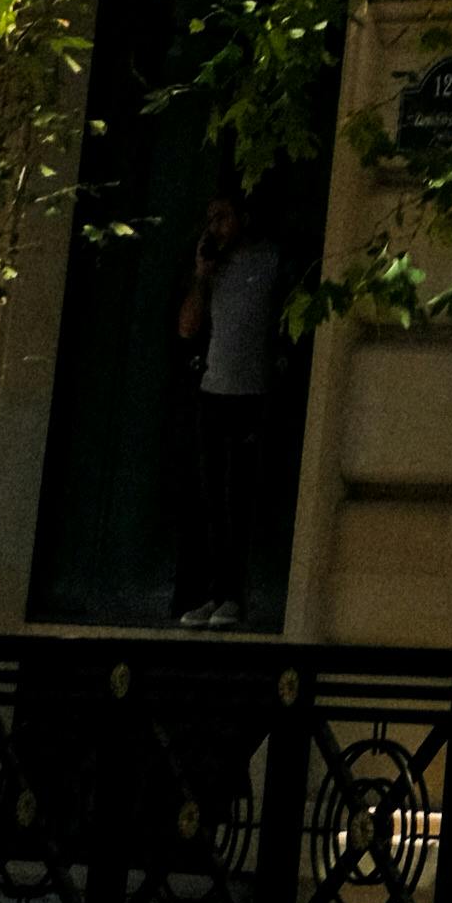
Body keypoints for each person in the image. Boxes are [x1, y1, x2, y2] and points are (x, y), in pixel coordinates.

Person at [175, 177, 295, 626]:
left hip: (254, 395)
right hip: (213, 393)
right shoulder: (212, 268)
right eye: (211, 220)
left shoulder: (269, 261)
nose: (216, 228)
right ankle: (211, 592)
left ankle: (239, 596)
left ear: (243, 218)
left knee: (241, 497)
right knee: (211, 498)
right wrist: (202, 277)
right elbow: (187, 328)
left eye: (223, 218)